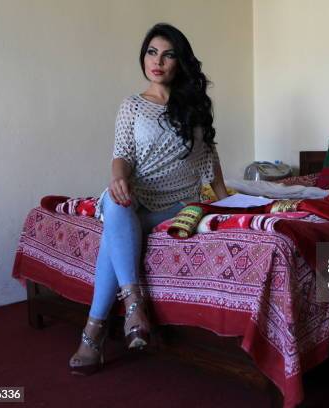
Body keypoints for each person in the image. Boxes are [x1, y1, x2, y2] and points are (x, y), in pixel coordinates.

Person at [69, 23, 229, 375]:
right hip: (139, 194)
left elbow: (209, 156)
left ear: (180, 61)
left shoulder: (196, 107)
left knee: (114, 236)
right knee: (114, 203)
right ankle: (133, 304)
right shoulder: (132, 106)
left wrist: (224, 199)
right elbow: (122, 153)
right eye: (152, 52)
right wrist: (118, 178)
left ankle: (92, 334)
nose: (158, 61)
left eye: (168, 54)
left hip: (179, 203)